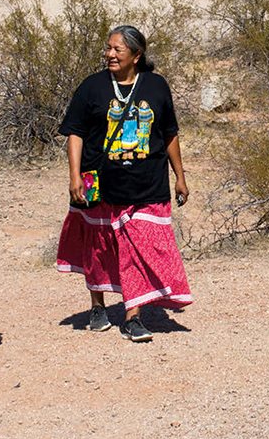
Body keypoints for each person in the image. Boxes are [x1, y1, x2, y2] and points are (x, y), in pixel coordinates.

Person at [55, 24, 191, 341]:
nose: (110, 54)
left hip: (147, 181)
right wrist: (74, 175)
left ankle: (133, 315)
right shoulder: (91, 87)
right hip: (95, 178)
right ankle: (98, 305)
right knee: (98, 245)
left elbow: (169, 133)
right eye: (108, 48)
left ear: (136, 55)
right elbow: (75, 132)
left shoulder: (156, 86)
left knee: (138, 245)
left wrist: (180, 176)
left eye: (117, 49)